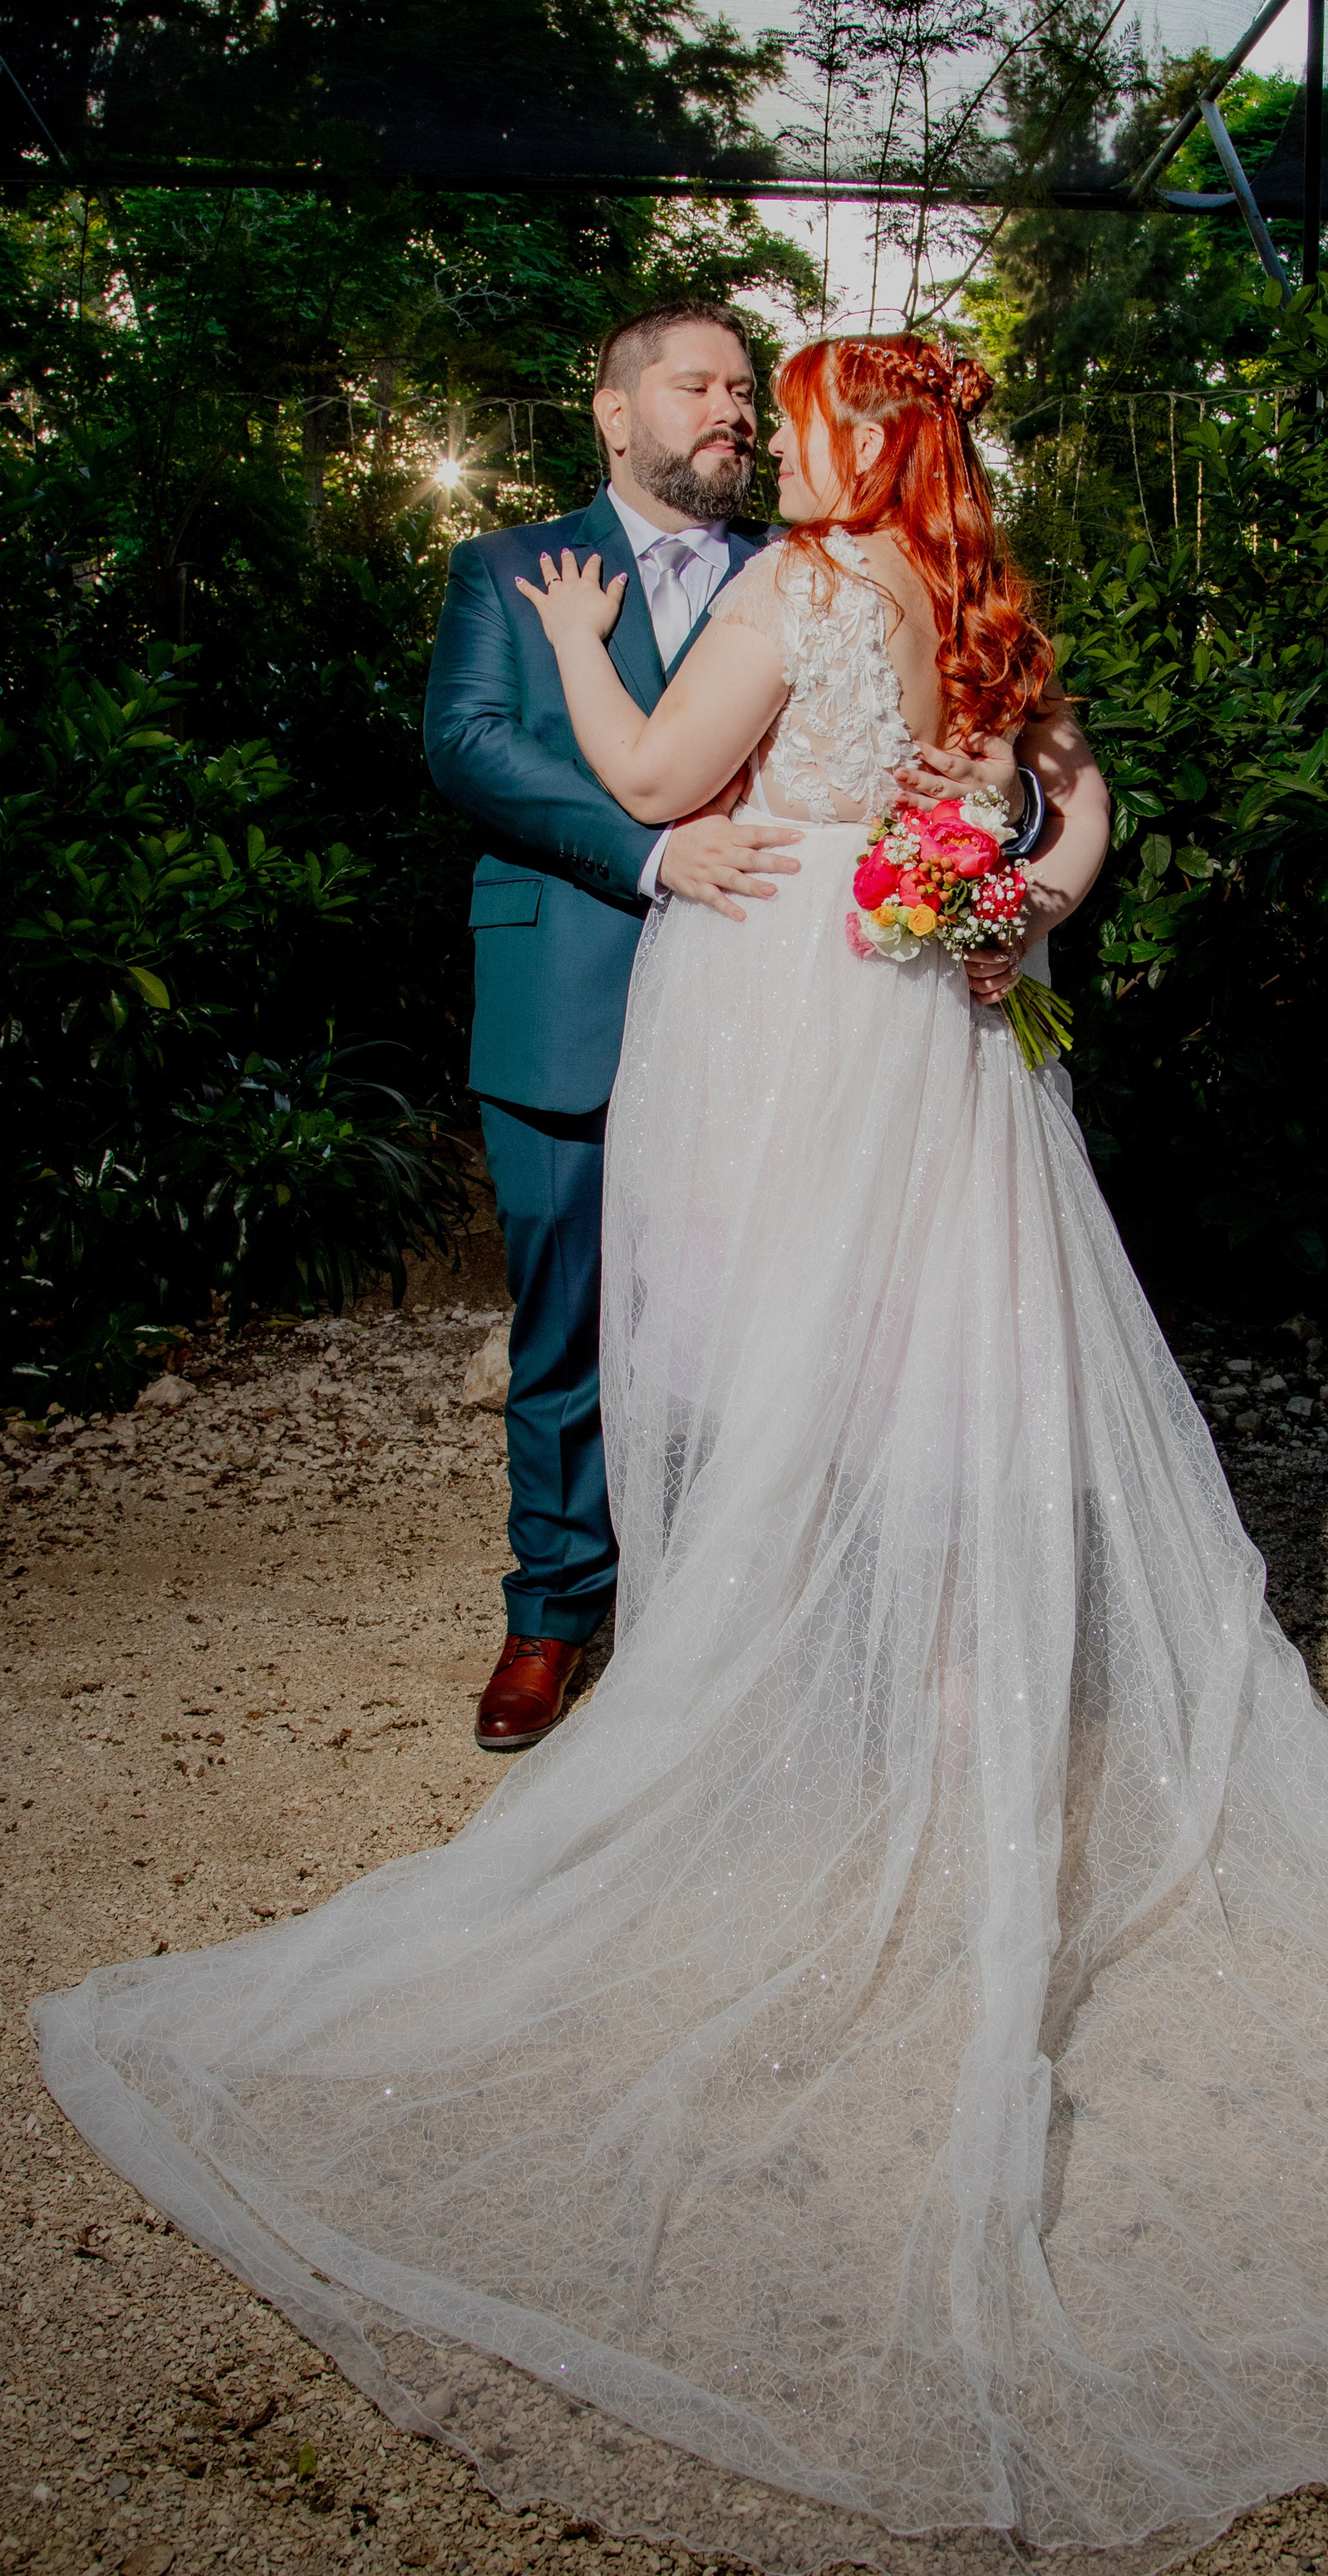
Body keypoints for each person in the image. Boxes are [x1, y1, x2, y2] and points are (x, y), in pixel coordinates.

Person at [37, 335, 1328, 2576]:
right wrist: (1014, 903)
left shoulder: (800, 587)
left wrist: (595, 658)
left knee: (775, 1381)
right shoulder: (977, 595)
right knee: (947, 1387)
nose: (767, 426)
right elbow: (1080, 808)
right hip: (945, 1031)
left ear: (851, 439)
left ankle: (810, 1770)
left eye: (793, 402)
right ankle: (969, 1770)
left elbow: (651, 769)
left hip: (795, 1024)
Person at [423, 300, 1051, 1754]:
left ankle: (740, 1619)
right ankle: (553, 1612)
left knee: (785, 1326)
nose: (737, 415)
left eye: (751, 394)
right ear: (615, 410)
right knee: (571, 1322)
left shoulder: (807, 565)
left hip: (782, 1013)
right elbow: (469, 745)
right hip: (589, 993)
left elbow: (1013, 758)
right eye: (699, 386)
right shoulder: (510, 570)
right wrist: (653, 856)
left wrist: (1001, 811)